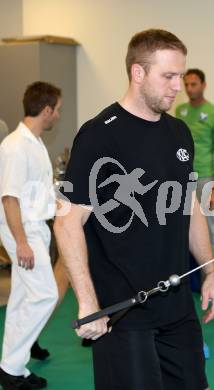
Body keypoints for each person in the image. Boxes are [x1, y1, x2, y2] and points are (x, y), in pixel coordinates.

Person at [54, 29, 214, 390]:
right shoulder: (99, 135)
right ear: (138, 73)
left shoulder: (179, 132)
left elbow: (188, 205)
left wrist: (210, 272)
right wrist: (87, 303)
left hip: (177, 308)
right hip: (123, 311)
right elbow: (67, 224)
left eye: (181, 75)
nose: (178, 86)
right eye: (169, 76)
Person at [0, 81, 61, 390]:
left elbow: (34, 191)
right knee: (46, 294)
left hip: (37, 226)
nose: (58, 116)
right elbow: (9, 198)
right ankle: (10, 368)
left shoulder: (35, 143)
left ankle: (15, 367)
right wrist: (22, 242)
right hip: (23, 228)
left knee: (22, 298)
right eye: (58, 110)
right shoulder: (14, 146)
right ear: (46, 109)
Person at [176, 69, 214, 256]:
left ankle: (211, 278)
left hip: (204, 179)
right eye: (187, 84)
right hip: (181, 178)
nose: (189, 88)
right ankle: (184, 282)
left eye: (194, 84)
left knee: (207, 231)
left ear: (203, 85)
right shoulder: (179, 111)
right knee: (179, 232)